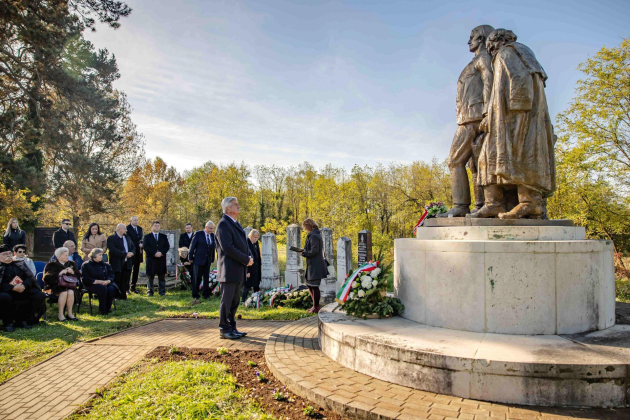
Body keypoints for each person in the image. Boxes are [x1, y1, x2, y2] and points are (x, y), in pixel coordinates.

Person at [473, 28, 556, 219]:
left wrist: (516, 113)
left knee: (523, 155)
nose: (490, 50)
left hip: (515, 117)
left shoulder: (508, 52)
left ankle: (529, 203)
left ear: (496, 41)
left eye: (490, 46)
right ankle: (493, 203)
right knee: (488, 156)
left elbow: (518, 79)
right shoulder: (520, 53)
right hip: (512, 116)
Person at [442, 25, 494, 217]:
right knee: (475, 164)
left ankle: (461, 205)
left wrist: (488, 112)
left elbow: (489, 82)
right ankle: (479, 205)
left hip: (473, 117)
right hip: (471, 116)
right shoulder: (478, 60)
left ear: (480, 38)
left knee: (454, 160)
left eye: (471, 37)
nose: (468, 41)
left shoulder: (483, 58)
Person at [215, 197, 253, 340]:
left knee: (235, 300)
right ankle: (224, 329)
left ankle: (232, 327)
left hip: (238, 269)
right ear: (227, 209)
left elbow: (244, 243)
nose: (238, 206)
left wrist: (249, 257)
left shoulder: (235, 223)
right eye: (235, 205)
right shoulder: (223, 224)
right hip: (228, 269)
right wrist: (245, 259)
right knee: (227, 300)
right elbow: (228, 248)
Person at [0, 245, 46, 332]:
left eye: (9, 253)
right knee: (4, 297)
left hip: (23, 289)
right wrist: (12, 288)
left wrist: (24, 285)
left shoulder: (19, 264)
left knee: (40, 295)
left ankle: (23, 319)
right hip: (6, 291)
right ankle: (8, 323)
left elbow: (29, 278)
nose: (8, 255)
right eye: (4, 254)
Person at [43, 247, 80, 322]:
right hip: (55, 286)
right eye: (65, 255)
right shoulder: (51, 265)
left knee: (70, 292)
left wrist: (72, 272)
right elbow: (46, 278)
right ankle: (60, 314)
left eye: (67, 255)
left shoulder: (72, 264)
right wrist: (59, 274)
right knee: (64, 292)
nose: (67, 257)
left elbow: (79, 276)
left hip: (69, 286)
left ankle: (69, 313)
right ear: (58, 256)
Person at [301, 218, 327, 314]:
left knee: (314, 286)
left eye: (305, 227)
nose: (305, 229)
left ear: (307, 226)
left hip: (316, 264)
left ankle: (316, 307)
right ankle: (314, 306)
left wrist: (304, 253)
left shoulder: (314, 236)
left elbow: (314, 250)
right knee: (309, 284)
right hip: (312, 264)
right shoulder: (314, 234)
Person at [81, 248, 117, 315]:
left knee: (111, 288)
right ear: (94, 256)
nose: (102, 257)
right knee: (102, 289)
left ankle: (108, 308)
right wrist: (98, 281)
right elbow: (85, 278)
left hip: (105, 282)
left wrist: (108, 280)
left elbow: (111, 274)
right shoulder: (86, 265)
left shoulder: (105, 265)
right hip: (91, 284)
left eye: (102, 255)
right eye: (100, 255)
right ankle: (102, 310)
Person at [188, 221, 216, 302]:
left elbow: (212, 248)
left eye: (212, 229)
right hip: (198, 260)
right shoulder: (198, 234)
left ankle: (205, 294)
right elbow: (192, 246)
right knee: (197, 278)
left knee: (206, 278)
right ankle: (195, 294)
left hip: (207, 260)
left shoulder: (212, 236)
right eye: (210, 228)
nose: (211, 230)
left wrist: (213, 258)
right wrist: (190, 257)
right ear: (206, 227)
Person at [106, 224, 135, 300]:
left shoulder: (127, 238)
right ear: (119, 229)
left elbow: (133, 247)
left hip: (127, 262)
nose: (126, 230)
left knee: (125, 279)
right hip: (117, 263)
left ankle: (123, 295)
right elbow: (112, 249)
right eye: (124, 229)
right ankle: (116, 296)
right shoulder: (111, 238)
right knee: (117, 279)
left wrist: (132, 253)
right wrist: (124, 254)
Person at [143, 221, 169, 297]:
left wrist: (161, 253)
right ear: (152, 227)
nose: (157, 227)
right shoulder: (147, 237)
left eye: (158, 225)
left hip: (161, 259)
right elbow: (145, 247)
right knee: (150, 276)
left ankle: (162, 292)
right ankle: (150, 291)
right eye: (155, 225)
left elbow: (167, 246)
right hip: (151, 259)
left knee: (161, 276)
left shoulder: (163, 236)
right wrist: (154, 253)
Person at [242, 229, 261, 303]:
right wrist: (247, 271)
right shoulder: (246, 243)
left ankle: (256, 299)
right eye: (254, 237)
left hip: (256, 267)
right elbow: (246, 257)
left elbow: (258, 256)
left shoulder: (256, 243)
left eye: (257, 237)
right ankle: (243, 300)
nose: (256, 239)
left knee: (256, 284)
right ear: (250, 236)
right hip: (249, 267)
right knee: (247, 285)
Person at [126, 216, 144, 293]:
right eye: (134, 220)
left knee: (136, 270)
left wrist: (142, 244)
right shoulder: (127, 228)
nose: (136, 222)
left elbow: (142, 239)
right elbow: (128, 240)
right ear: (131, 220)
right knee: (129, 270)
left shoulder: (140, 229)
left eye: (137, 220)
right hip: (131, 252)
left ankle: (133, 287)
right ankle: (126, 287)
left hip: (138, 252)